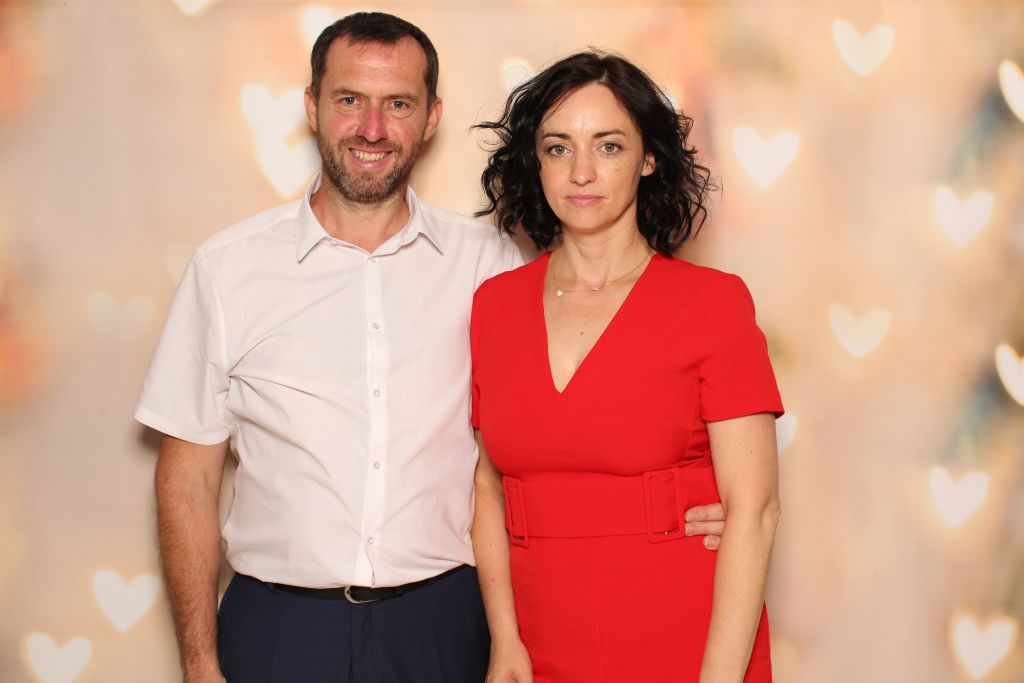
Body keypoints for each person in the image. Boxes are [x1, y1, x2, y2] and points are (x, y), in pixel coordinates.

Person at [136, 13, 728, 683]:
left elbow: (564, 428)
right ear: (311, 106)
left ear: (431, 117)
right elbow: (187, 479)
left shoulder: (491, 266)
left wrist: (694, 494)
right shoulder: (227, 269)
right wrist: (199, 661)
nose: (371, 128)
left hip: (444, 624)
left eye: (398, 104)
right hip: (279, 626)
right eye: (349, 99)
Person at [470, 51, 783, 682]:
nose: (581, 172)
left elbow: (754, 509)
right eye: (558, 148)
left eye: (608, 146)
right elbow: (488, 489)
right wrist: (505, 640)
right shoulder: (494, 306)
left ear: (648, 159)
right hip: (539, 646)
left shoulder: (712, 304)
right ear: (536, 161)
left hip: (686, 639)